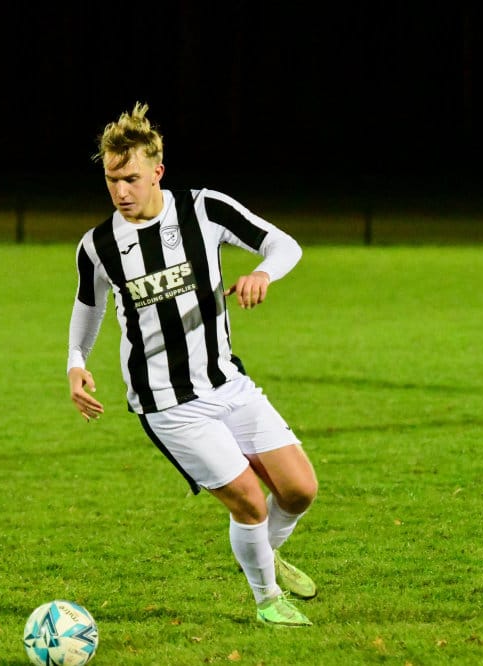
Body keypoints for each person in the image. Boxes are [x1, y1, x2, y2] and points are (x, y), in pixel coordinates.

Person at [66, 102, 319, 627]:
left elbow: (283, 245)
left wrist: (263, 274)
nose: (120, 191)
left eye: (131, 179)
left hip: (227, 382)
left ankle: (264, 552)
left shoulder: (205, 209)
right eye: (112, 180)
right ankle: (267, 600)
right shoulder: (98, 246)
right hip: (167, 403)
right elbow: (89, 303)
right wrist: (76, 362)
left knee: (299, 490)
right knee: (249, 503)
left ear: (157, 171)